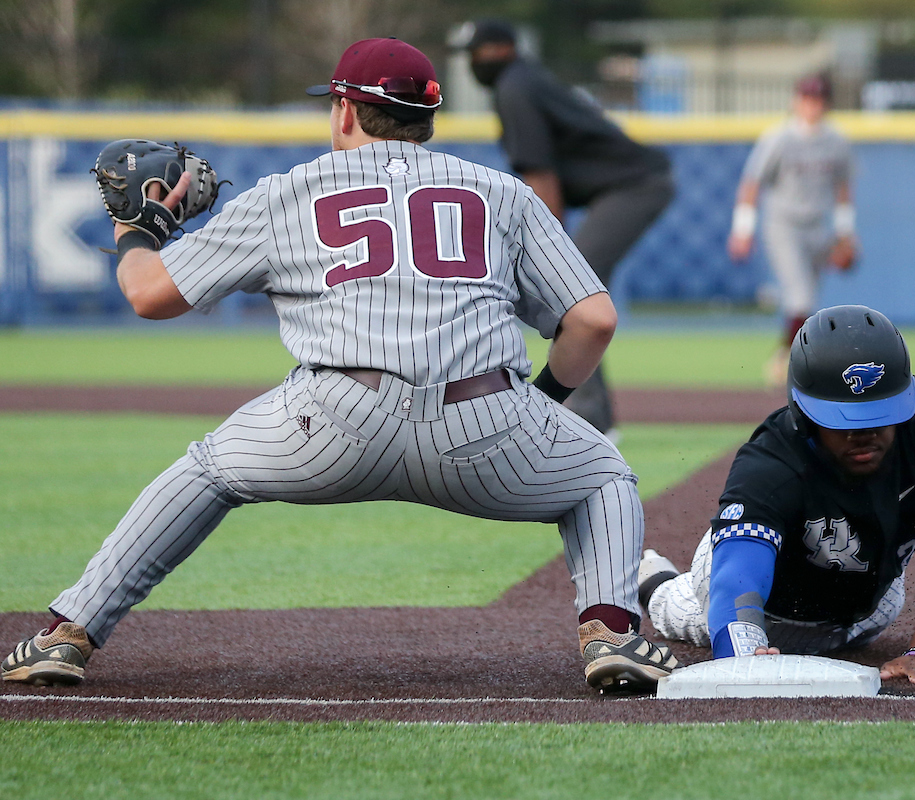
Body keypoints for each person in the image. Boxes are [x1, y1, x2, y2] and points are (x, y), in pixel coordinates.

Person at [2, 38, 677, 694]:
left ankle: (68, 634)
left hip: (332, 418)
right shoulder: (502, 193)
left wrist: (137, 233)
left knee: (206, 472)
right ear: (426, 119)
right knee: (603, 479)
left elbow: (148, 295)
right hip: (485, 420)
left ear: (347, 111)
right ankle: (612, 635)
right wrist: (545, 400)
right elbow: (593, 319)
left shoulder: (289, 192)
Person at [639, 305, 915, 684]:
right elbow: (737, 579)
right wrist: (744, 652)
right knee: (682, 610)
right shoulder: (770, 461)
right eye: (844, 419)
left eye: (879, 413)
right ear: (803, 410)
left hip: (867, 607)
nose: (864, 432)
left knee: (875, 621)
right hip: (770, 604)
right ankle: (654, 581)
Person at [462, 18, 675, 439]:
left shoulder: (513, 87)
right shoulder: (522, 79)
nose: (472, 62)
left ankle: (592, 420)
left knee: (572, 299)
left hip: (634, 187)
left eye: (475, 53)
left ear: (497, 51)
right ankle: (596, 416)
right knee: (575, 299)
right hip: (631, 184)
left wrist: (550, 255)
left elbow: (541, 176)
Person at [727, 74, 856, 386]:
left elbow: (843, 188)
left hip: (817, 226)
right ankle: (794, 361)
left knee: (808, 301)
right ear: (796, 101)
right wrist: (743, 229)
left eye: (818, 99)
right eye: (807, 98)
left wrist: (845, 233)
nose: (812, 105)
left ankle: (786, 352)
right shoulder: (779, 138)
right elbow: (751, 183)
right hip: (782, 224)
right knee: (799, 297)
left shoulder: (836, 140)